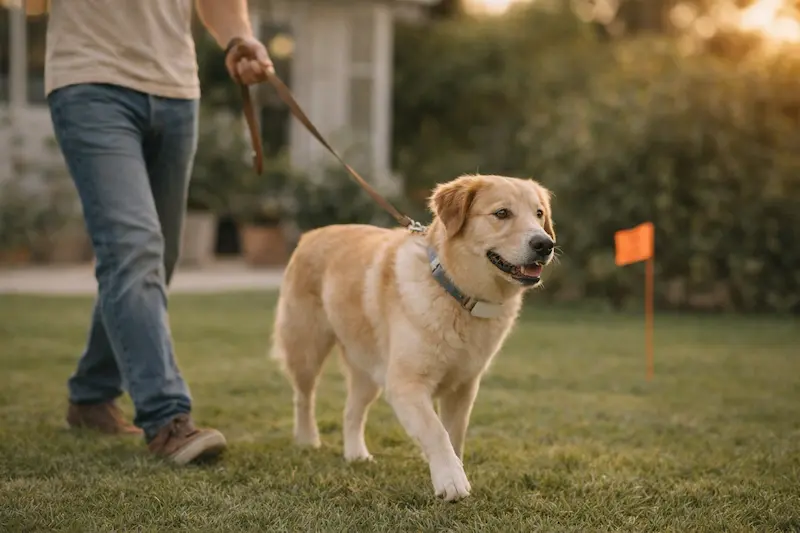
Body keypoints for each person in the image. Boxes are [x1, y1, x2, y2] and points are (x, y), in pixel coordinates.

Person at [27, 0, 274, 464]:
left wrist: (238, 38)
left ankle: (91, 396)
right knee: (134, 249)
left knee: (159, 257)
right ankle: (167, 418)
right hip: (90, 81)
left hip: (177, 89)